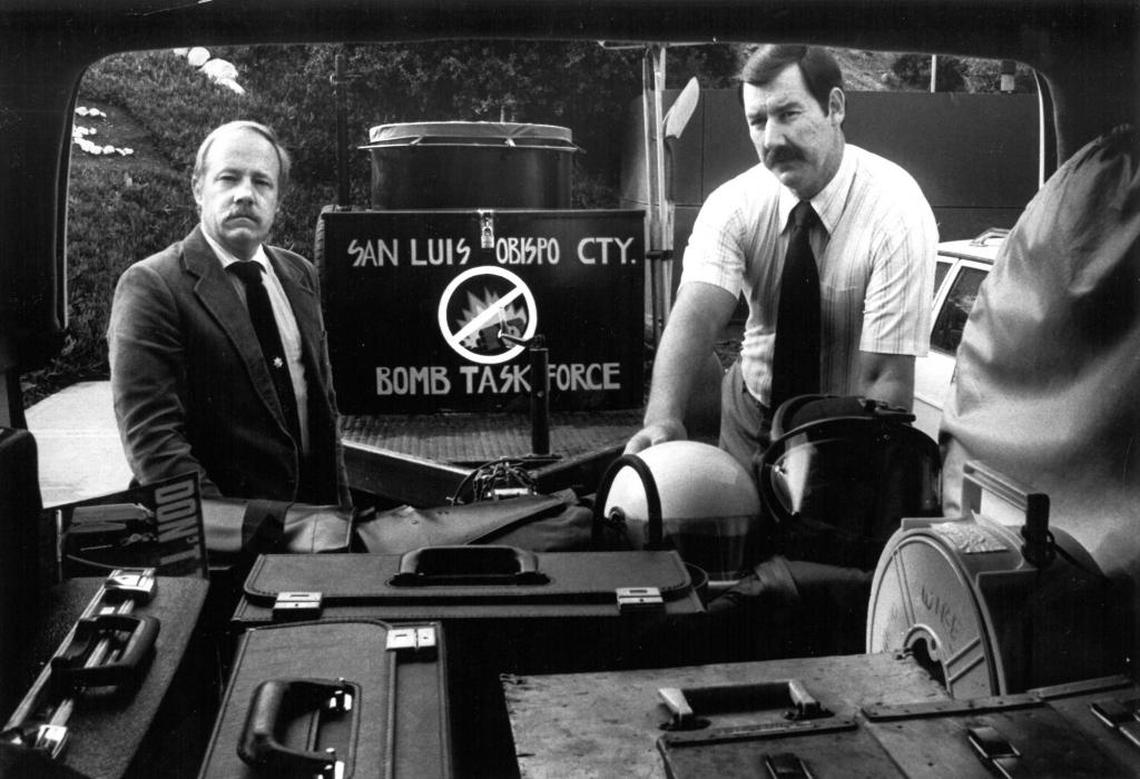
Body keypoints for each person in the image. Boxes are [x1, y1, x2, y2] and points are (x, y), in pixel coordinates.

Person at [625, 45, 937, 476]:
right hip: (750, 412)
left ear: (834, 107)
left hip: (846, 426)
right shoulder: (733, 203)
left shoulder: (896, 211)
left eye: (788, 114)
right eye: (758, 121)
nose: (771, 139)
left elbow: (885, 379)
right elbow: (695, 316)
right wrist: (662, 418)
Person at [108, 120, 352, 509]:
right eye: (228, 178)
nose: (245, 194)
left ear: (278, 199)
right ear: (197, 188)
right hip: (222, 537)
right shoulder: (152, 286)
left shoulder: (300, 274)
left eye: (262, 182)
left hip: (314, 528)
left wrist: (341, 518)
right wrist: (243, 531)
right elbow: (154, 445)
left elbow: (324, 413)